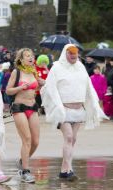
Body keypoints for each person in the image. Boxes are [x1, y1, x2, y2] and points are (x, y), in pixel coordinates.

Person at [41, 44, 107, 181]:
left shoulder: (80, 67)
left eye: (75, 53)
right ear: (65, 53)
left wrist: (93, 104)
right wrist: (56, 106)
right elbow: (50, 88)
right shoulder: (57, 68)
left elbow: (89, 87)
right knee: (69, 137)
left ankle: (64, 170)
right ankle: (68, 169)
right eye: (70, 53)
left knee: (73, 139)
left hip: (78, 110)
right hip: (63, 110)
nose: (73, 56)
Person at [6, 48, 45, 183]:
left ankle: (23, 161)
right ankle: (25, 171)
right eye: (27, 56)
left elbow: (36, 89)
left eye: (32, 56)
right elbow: (8, 91)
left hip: (33, 107)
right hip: (19, 108)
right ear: (21, 59)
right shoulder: (16, 72)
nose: (30, 58)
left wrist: (41, 85)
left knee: (35, 141)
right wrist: (20, 88)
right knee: (27, 139)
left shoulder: (33, 72)